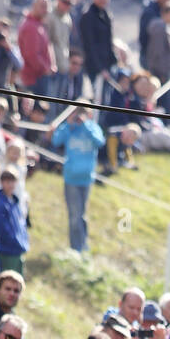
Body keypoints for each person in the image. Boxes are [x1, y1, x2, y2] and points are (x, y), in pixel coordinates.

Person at [51, 107, 105, 254]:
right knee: (75, 215)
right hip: (71, 178)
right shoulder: (69, 128)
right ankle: (76, 249)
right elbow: (56, 141)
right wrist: (68, 124)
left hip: (87, 178)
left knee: (82, 215)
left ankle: (82, 246)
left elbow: (99, 142)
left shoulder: (92, 127)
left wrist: (86, 125)